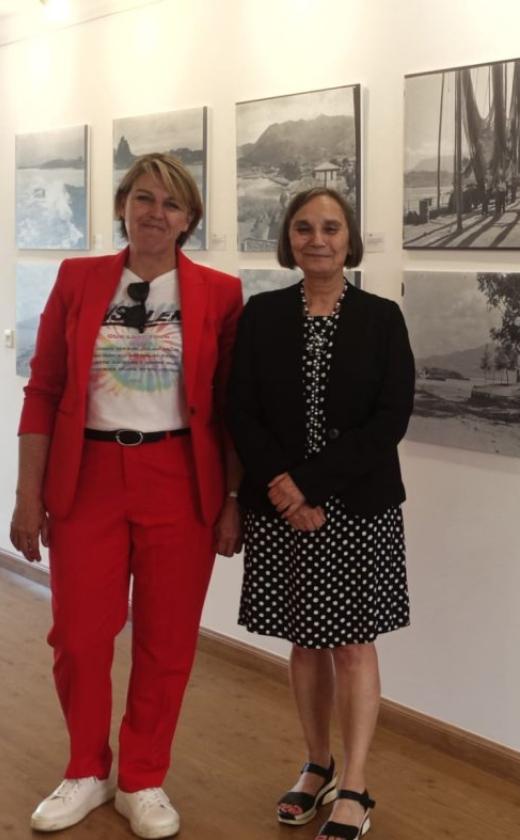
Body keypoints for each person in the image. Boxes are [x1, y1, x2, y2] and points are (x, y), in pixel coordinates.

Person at [9, 153, 243, 838]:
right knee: (79, 636)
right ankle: (87, 768)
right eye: (143, 198)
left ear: (189, 220)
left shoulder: (221, 294)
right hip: (89, 480)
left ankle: (142, 777)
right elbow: (44, 389)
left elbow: (230, 407)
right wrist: (28, 494)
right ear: (121, 206)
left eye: (171, 205)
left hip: (180, 477)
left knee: (167, 642)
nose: (154, 214)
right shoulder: (79, 280)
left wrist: (232, 496)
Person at [227, 187, 414, 840]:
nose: (317, 238)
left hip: (356, 509)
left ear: (349, 238)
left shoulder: (382, 319)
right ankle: (317, 765)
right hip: (282, 509)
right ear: (289, 239)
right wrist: (283, 490)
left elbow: (389, 420)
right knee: (305, 645)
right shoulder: (261, 314)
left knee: (354, 648)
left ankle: (356, 785)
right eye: (303, 227)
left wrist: (305, 486)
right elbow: (240, 409)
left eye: (331, 227)